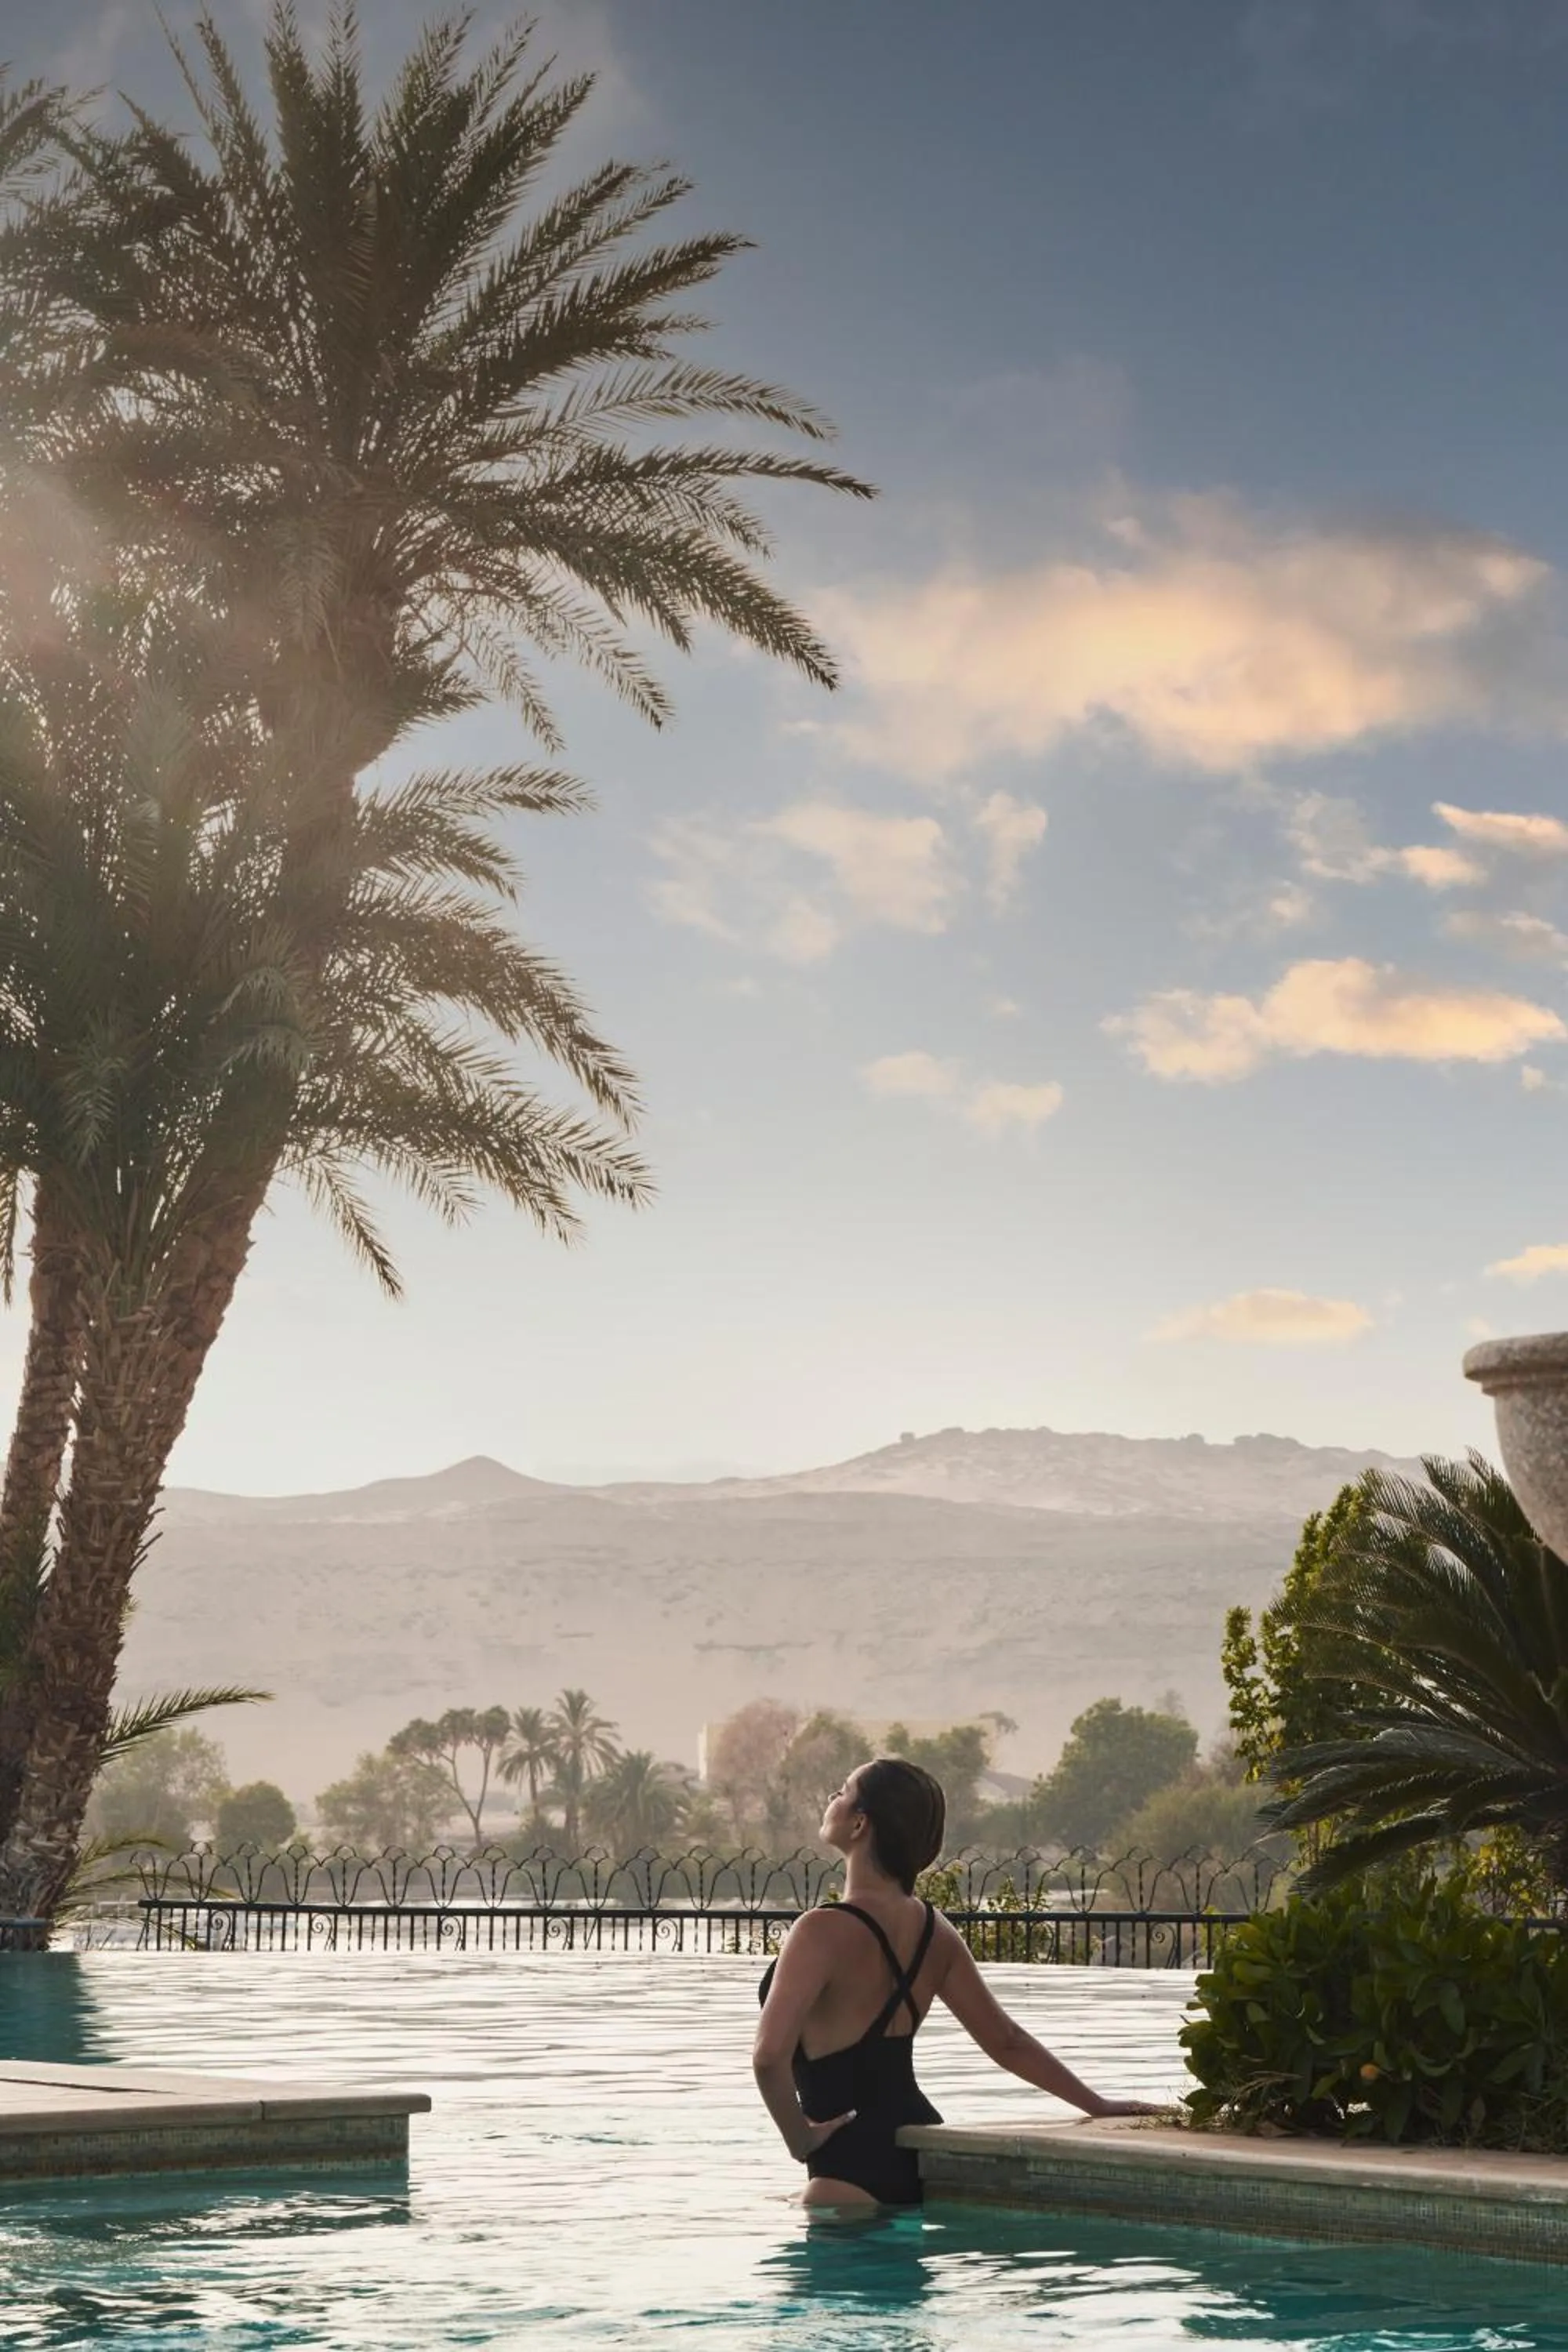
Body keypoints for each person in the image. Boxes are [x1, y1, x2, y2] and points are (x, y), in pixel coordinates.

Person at [753, 1755, 1160, 2210]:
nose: (833, 1798)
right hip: (922, 2155)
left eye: (843, 1791)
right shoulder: (934, 1930)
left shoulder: (819, 1931)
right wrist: (1096, 2104)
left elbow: (770, 2057)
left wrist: (800, 2139)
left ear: (860, 1824)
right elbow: (1006, 2042)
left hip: (845, 2173)